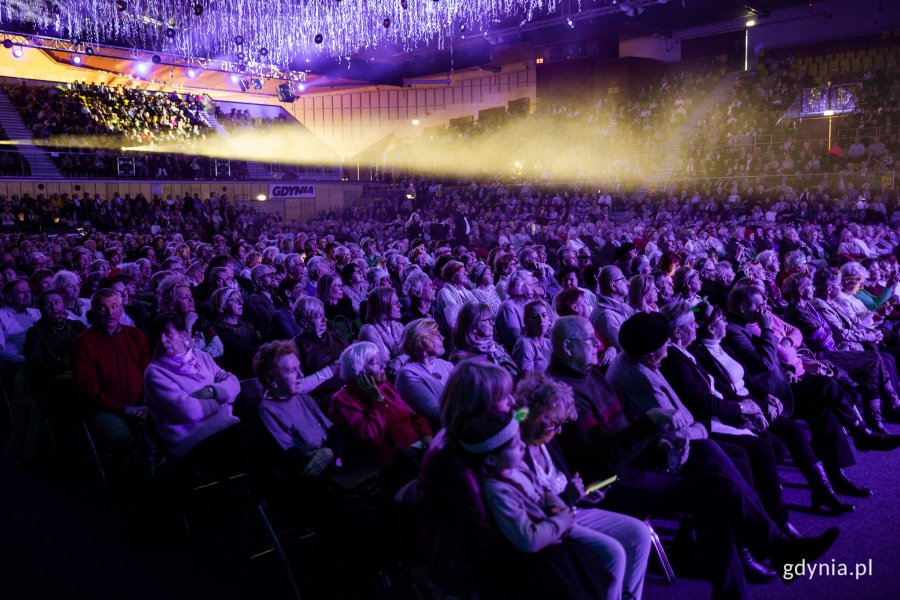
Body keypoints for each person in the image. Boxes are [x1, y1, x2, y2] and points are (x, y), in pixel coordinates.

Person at [547, 315, 840, 598]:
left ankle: (754, 570)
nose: (598, 345)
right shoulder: (562, 392)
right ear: (567, 347)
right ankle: (771, 550)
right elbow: (601, 462)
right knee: (712, 474)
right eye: (588, 340)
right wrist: (650, 424)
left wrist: (657, 441)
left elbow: (622, 427)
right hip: (608, 487)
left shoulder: (589, 374)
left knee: (710, 468)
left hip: (632, 464)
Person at [515, 372, 651, 600]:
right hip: (550, 521)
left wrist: (584, 492)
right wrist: (568, 497)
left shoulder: (548, 437)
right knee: (613, 551)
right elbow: (532, 509)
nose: (559, 431)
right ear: (536, 415)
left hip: (572, 509)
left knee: (638, 533)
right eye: (555, 423)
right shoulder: (514, 446)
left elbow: (562, 481)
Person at [464, 410, 613, 599]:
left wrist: (556, 503)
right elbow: (527, 539)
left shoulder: (516, 468)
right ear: (491, 459)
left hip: (555, 543)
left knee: (597, 578)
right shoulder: (498, 492)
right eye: (514, 445)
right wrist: (560, 520)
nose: (522, 446)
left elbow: (543, 492)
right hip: (538, 563)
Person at [143, 313, 243, 467]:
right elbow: (188, 411)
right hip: (193, 440)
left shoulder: (202, 357)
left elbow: (234, 383)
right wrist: (222, 399)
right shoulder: (155, 372)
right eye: (158, 336)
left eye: (168, 333)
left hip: (226, 426)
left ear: (183, 335)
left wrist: (210, 391)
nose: (162, 340)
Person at [328, 341, 432, 472]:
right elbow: (369, 438)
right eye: (375, 362)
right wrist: (377, 401)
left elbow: (413, 416)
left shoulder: (385, 386)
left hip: (418, 447)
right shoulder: (342, 400)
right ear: (359, 373)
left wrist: (427, 435)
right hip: (390, 465)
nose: (383, 365)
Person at [72, 288, 150, 454]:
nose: (109, 312)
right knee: (123, 441)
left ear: (122, 309)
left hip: (142, 403)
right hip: (104, 408)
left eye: (115, 306)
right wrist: (124, 409)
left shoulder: (135, 335)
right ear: (93, 311)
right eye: (102, 307)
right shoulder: (83, 343)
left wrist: (147, 403)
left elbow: (149, 374)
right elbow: (89, 390)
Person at [254, 340, 343, 478]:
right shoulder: (266, 411)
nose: (301, 375)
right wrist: (331, 452)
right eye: (291, 371)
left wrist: (329, 451)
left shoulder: (302, 397)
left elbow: (334, 432)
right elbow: (292, 460)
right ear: (272, 379)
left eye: (299, 368)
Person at [394, 318, 453, 431]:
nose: (443, 338)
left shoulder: (446, 365)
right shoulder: (408, 374)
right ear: (421, 341)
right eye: (437, 335)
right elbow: (435, 415)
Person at [291, 296, 348, 409]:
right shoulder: (295, 347)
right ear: (304, 322)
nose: (325, 319)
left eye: (324, 315)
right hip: (328, 400)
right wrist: (330, 370)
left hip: (349, 388)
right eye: (318, 316)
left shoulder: (333, 336)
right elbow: (297, 386)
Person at [449, 301, 519, 377]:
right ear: (473, 326)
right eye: (487, 320)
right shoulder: (461, 358)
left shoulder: (495, 346)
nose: (492, 323)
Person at [210, 287, 261, 380]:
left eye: (240, 299)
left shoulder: (247, 325)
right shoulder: (220, 328)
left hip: (255, 366)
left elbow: (257, 344)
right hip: (240, 375)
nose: (240, 303)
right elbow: (243, 352)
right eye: (234, 300)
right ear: (223, 305)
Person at [358, 286, 406, 374]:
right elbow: (385, 368)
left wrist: (399, 360)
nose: (400, 305)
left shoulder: (398, 326)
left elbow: (413, 352)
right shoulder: (368, 331)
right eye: (395, 303)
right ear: (382, 306)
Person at [591, 265, 635, 351]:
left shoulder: (623, 305)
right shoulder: (606, 316)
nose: (628, 283)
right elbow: (626, 348)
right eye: (623, 279)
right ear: (613, 286)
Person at [434, 260, 475, 338]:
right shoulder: (445, 293)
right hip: (460, 335)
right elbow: (453, 321)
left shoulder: (467, 292)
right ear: (452, 276)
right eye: (462, 272)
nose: (466, 273)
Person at [495, 269, 532, 352]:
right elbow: (515, 340)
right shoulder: (508, 307)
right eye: (530, 285)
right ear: (519, 286)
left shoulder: (528, 303)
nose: (533, 288)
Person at [511, 299, 552, 373]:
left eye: (544, 315)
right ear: (526, 322)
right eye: (534, 317)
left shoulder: (549, 343)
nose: (541, 320)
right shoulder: (524, 345)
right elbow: (527, 379)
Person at [317, 272, 360, 342]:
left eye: (341, 286)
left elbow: (357, 325)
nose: (341, 289)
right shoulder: (321, 309)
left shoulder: (346, 302)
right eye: (338, 286)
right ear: (328, 288)